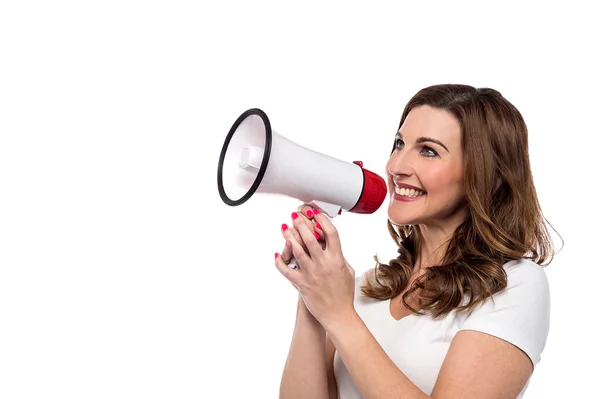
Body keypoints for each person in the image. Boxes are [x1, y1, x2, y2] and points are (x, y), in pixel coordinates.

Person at [272, 84, 558, 399]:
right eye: (399, 144)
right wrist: (312, 294)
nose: (396, 167)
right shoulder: (368, 287)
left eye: (428, 150)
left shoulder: (514, 286)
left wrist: (339, 315)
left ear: (483, 173)